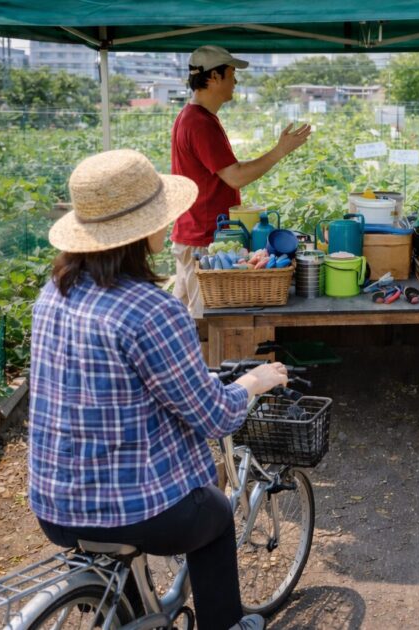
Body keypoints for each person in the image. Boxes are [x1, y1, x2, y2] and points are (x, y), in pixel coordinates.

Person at [30, 149, 286, 630]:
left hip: (55, 504)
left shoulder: (53, 294)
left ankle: (126, 610)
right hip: (135, 509)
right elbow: (215, 417)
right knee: (213, 514)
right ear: (139, 233)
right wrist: (252, 382)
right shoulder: (153, 309)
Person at [171, 45, 311, 317]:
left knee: (185, 320)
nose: (235, 81)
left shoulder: (196, 117)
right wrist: (279, 151)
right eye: (232, 74)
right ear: (213, 78)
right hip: (204, 237)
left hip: (195, 232)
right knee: (205, 323)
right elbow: (235, 176)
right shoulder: (199, 122)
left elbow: (230, 170)